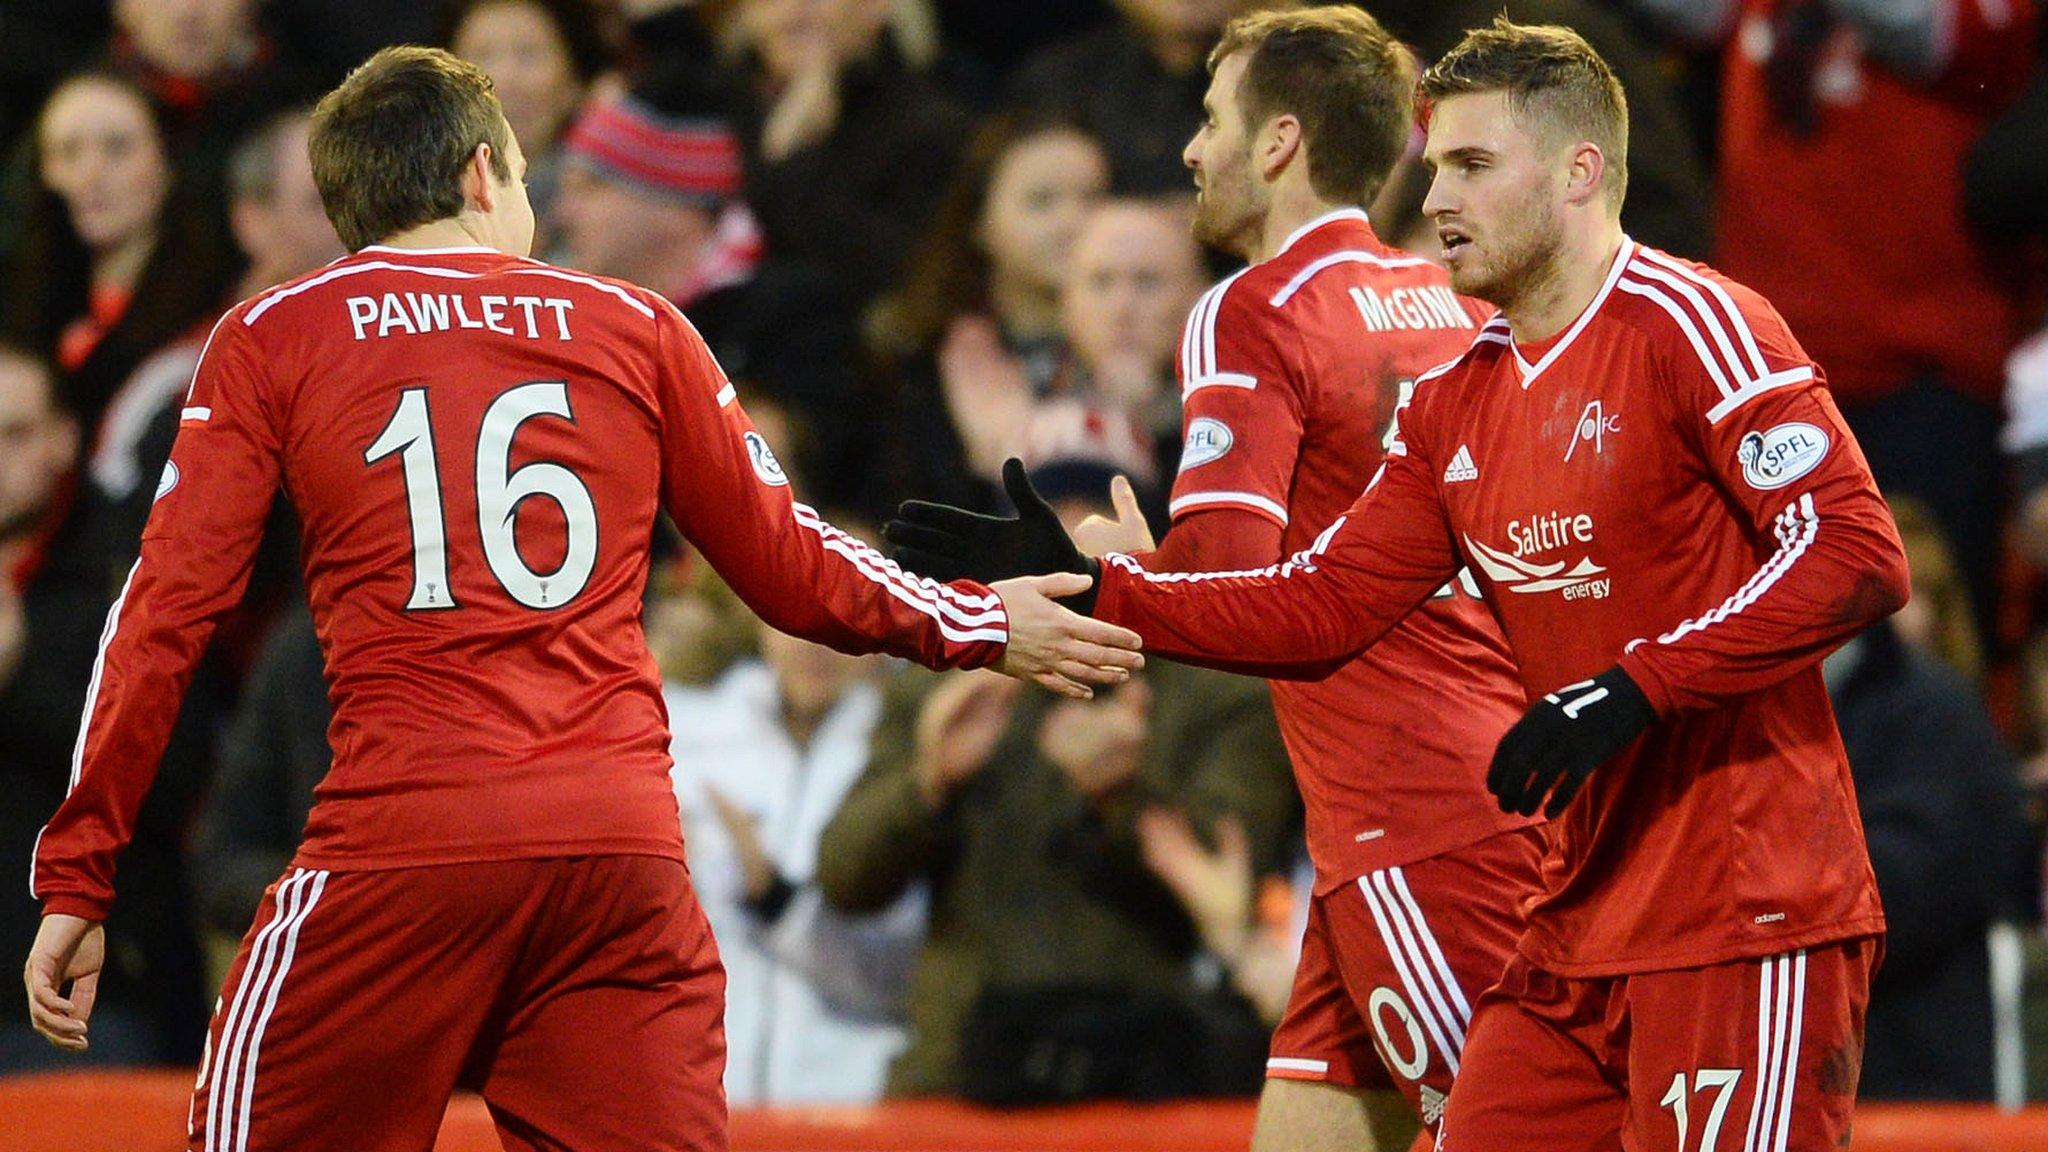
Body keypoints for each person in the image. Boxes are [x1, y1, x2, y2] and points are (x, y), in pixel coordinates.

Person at [20, 46, 1140, 1152]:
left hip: (402, 846)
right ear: (477, 176)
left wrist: (80, 869)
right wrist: (981, 619)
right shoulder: (636, 325)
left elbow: (162, 616)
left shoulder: (274, 335)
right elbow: (795, 568)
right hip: (617, 858)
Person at [893, 19, 1913, 1148]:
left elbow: (1854, 554)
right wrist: (1100, 593)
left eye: (1471, 166)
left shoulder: (1697, 322)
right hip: (1567, 911)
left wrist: (1636, 688)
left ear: (1579, 173)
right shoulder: (1456, 395)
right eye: (1431, 167)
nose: (1434, 198)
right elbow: (1318, 605)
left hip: (1738, 900)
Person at [941, 9, 1543, 1147]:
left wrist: (1115, 576)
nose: (1187, 150)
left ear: (1276, 143)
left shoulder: (1253, 306)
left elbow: (1229, 579)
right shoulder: (1458, 313)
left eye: (1210, 121)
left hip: (1411, 822)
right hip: (1455, 792)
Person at [821, 462, 1298, 1101]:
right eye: (1041, 514)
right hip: (961, 1078)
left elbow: (1234, 882)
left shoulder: (1215, 686)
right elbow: (842, 876)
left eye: (1093, 511)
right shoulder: (951, 673)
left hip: (1148, 1079)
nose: (1068, 539)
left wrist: (1124, 795)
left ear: (1149, 533)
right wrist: (927, 783)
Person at [666, 612, 921, 1105]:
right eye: (795, 613)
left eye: (841, 623)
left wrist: (776, 902)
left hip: (846, 1109)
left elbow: (901, 981)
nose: (813, 644)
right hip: (700, 1106)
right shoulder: (679, 735)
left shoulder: (904, 762)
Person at [869, 113, 1110, 513]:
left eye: (1093, 198)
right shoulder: (923, 359)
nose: (1074, 222)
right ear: (981, 222)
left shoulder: (1166, 349)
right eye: (1042, 201)